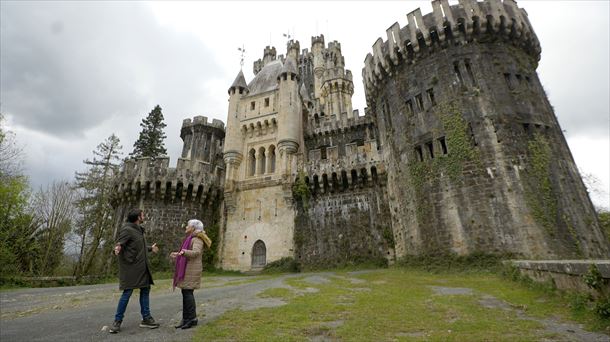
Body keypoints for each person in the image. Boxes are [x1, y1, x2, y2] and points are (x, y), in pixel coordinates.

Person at [109, 209, 160, 334]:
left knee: (145, 290)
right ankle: (117, 321)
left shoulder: (138, 230)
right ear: (138, 217)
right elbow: (120, 243)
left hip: (142, 267)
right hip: (131, 268)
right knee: (127, 293)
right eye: (142, 214)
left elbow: (137, 246)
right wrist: (117, 248)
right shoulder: (127, 229)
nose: (144, 216)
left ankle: (146, 318)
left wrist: (150, 248)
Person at [170, 219, 212, 329]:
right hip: (188, 269)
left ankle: (192, 319)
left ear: (193, 228)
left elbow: (196, 252)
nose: (186, 227)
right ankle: (185, 319)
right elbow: (188, 253)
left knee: (188, 294)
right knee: (185, 294)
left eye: (188, 226)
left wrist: (184, 252)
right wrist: (179, 254)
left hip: (192, 269)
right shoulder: (191, 238)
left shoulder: (197, 239)